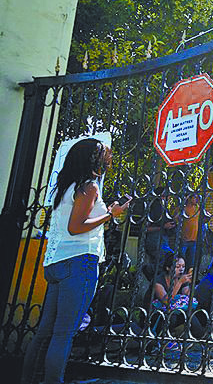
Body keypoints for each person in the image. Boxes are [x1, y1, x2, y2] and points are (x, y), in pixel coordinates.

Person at [21, 138, 131, 384]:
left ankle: (28, 379)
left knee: (45, 333)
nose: (106, 160)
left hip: (57, 263)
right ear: (93, 160)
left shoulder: (65, 186)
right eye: (103, 156)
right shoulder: (89, 186)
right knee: (63, 334)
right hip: (78, 263)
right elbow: (76, 227)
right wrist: (110, 215)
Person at [144, 186, 177, 271]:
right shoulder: (154, 207)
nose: (168, 197)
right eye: (166, 195)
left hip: (163, 239)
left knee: (168, 259)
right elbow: (146, 228)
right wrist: (163, 227)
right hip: (154, 240)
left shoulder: (164, 208)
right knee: (165, 260)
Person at [180, 195, 200, 270]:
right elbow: (175, 219)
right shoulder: (183, 209)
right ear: (189, 198)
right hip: (184, 239)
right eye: (195, 197)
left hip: (194, 240)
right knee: (181, 260)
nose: (196, 199)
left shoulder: (198, 209)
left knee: (191, 263)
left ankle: (189, 276)